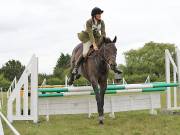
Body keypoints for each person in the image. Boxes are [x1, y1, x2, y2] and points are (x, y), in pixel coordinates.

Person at [72, 7, 106, 75]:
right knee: (85, 53)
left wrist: (104, 41)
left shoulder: (102, 22)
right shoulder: (89, 22)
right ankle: (76, 67)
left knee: (106, 48)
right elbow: (90, 34)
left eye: (100, 14)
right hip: (87, 36)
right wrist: (94, 44)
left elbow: (103, 33)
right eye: (98, 14)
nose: (100, 15)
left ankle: (113, 66)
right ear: (94, 15)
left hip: (96, 36)